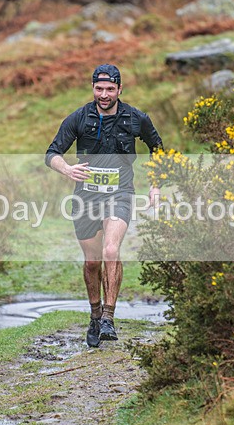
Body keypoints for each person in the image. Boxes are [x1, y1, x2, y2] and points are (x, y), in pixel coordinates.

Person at [45, 64, 163, 347]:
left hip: (120, 193)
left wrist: (156, 185)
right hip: (86, 197)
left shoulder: (136, 118)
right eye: (99, 88)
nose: (104, 94)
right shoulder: (79, 118)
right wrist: (66, 169)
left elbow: (158, 148)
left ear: (120, 90)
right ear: (93, 89)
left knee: (112, 249)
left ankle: (109, 318)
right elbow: (52, 153)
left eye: (110, 89)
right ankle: (95, 315)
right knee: (92, 261)